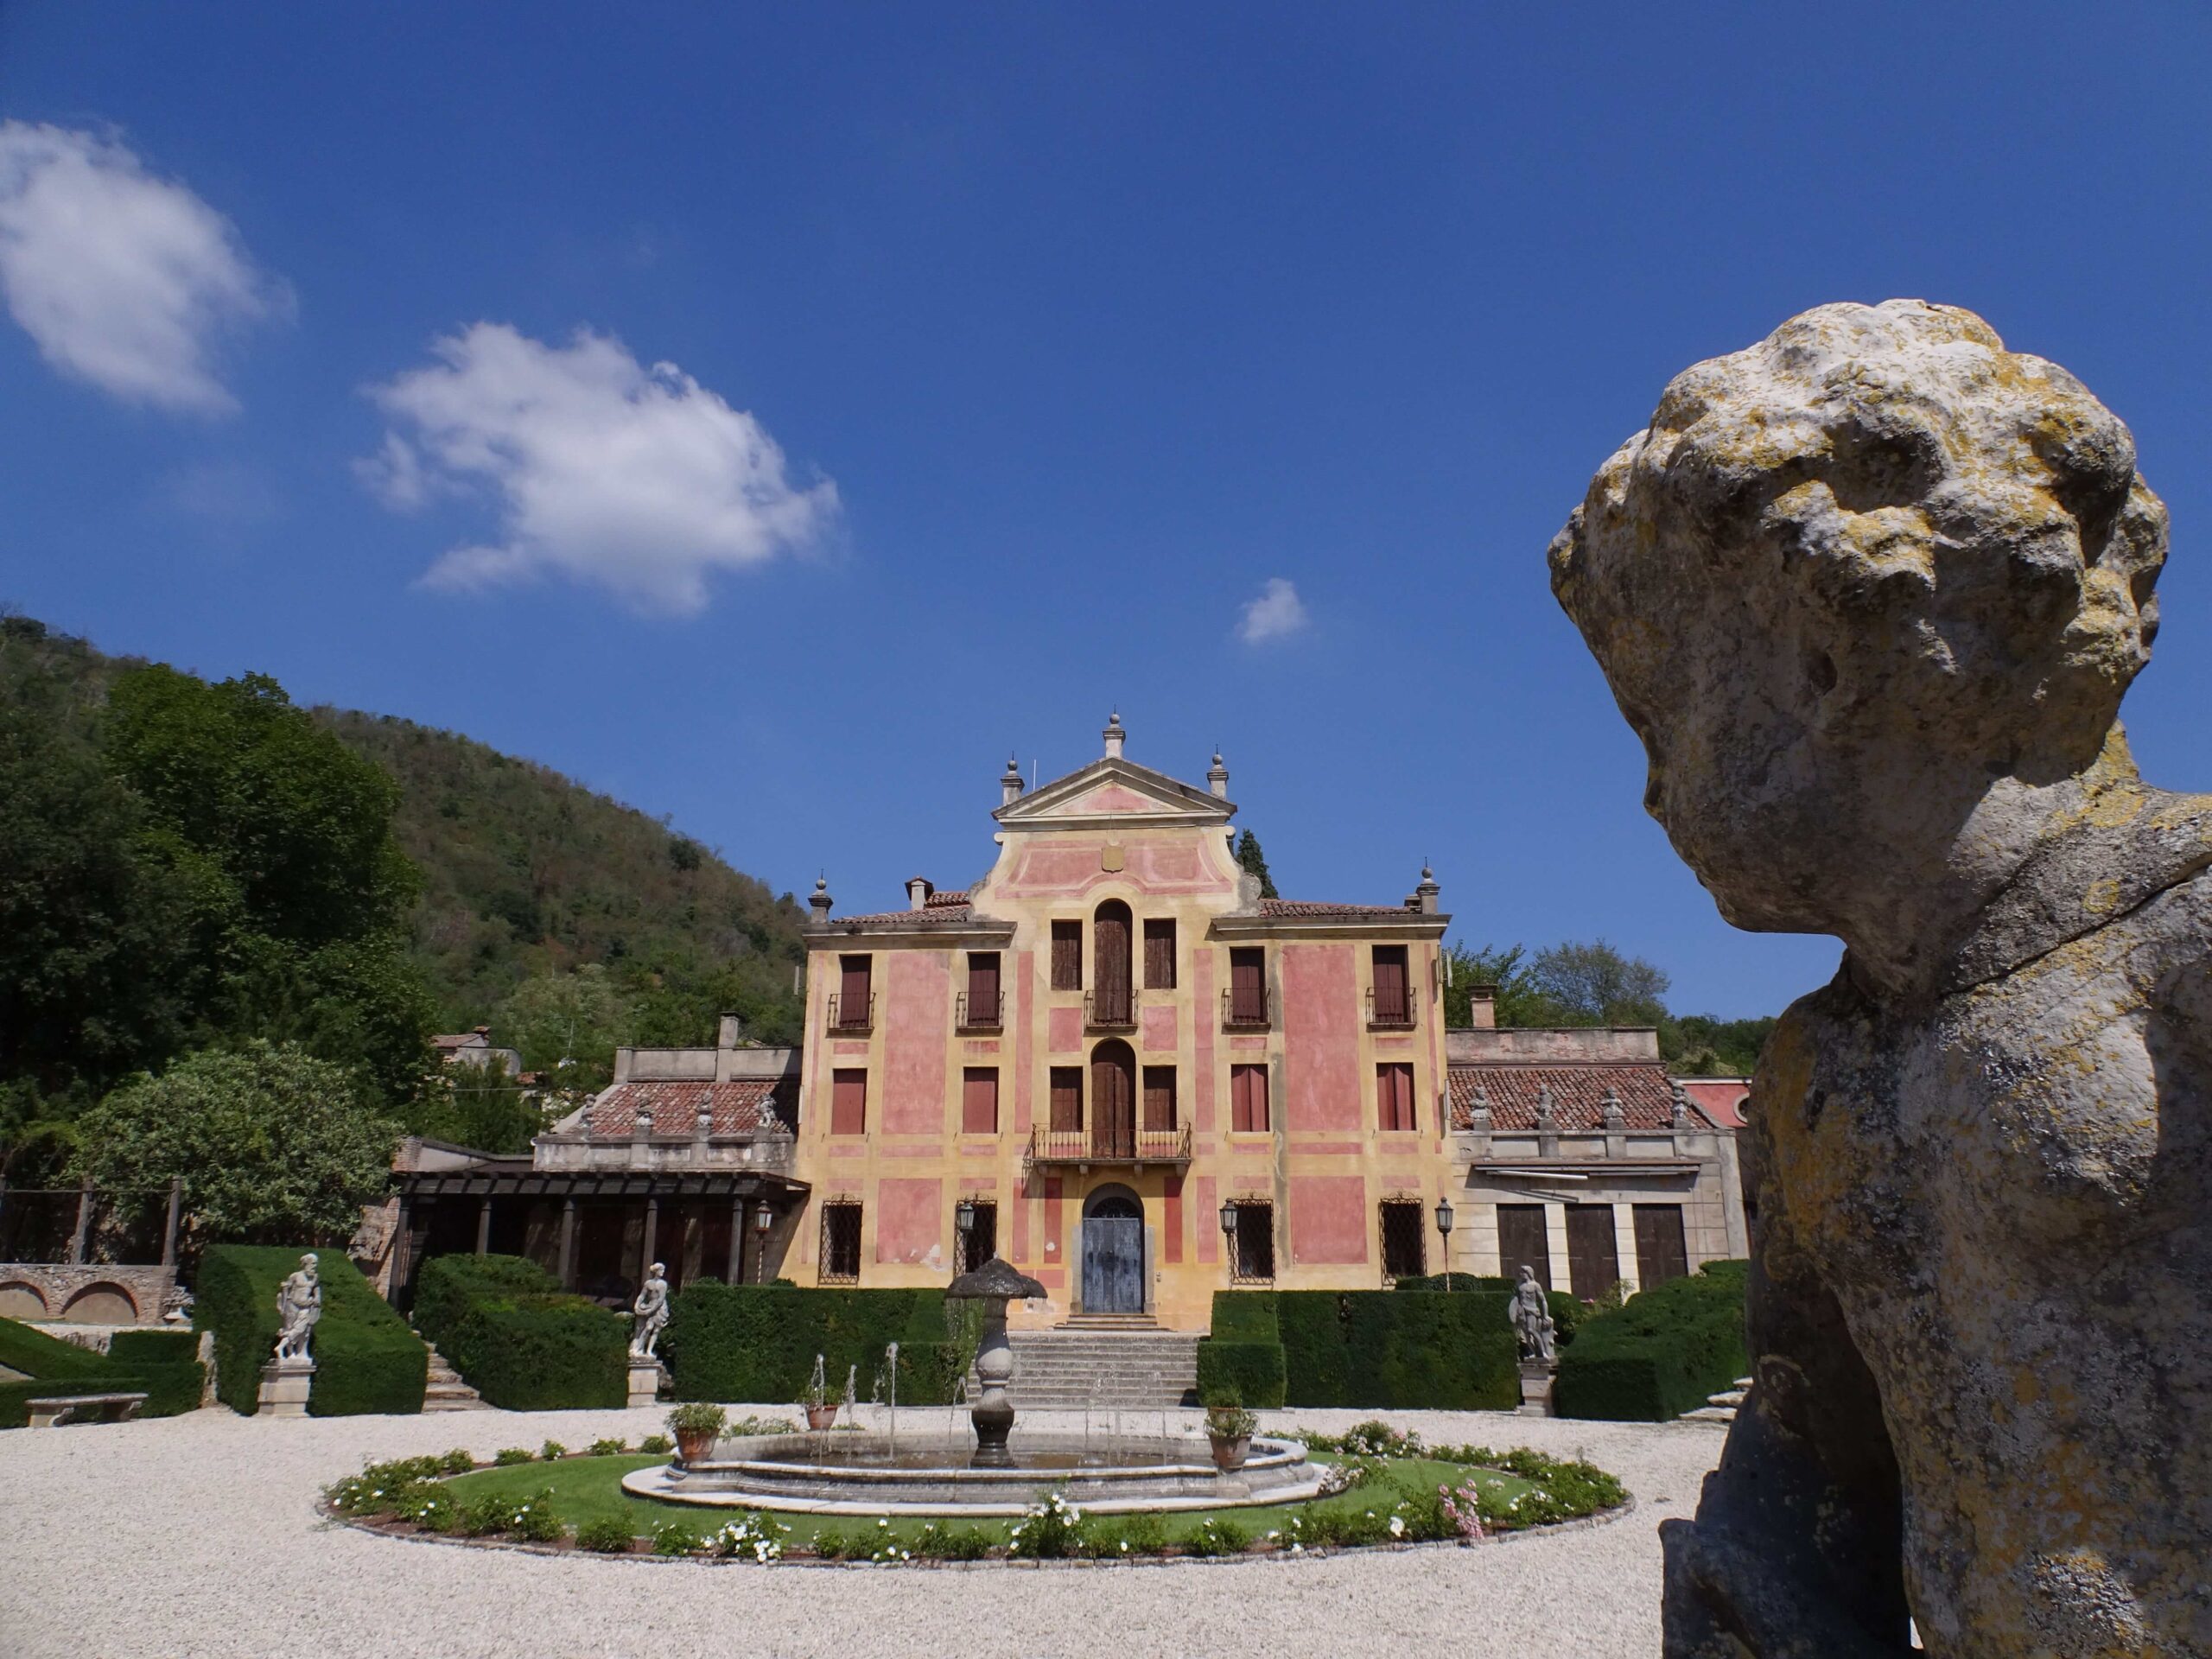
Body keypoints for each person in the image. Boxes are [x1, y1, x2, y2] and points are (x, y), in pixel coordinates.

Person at [273, 1253, 321, 1362]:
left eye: (316, 1264)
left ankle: (281, 1347)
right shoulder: (295, 1276)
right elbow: (286, 1288)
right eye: (313, 1263)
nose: (315, 1266)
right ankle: (290, 1353)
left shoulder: (315, 1278)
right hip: (292, 1306)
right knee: (289, 1328)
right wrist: (282, 1304)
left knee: (301, 1329)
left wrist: (317, 1296)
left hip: (305, 1307)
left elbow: (316, 1288)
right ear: (305, 1264)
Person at [1509, 1264, 1554, 1365]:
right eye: (1521, 1272)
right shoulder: (1520, 1286)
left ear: (1529, 1273)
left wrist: (1545, 1315)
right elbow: (1516, 1299)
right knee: (1526, 1334)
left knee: (1531, 1330)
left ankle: (1543, 1351)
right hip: (1522, 1311)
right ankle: (1533, 1352)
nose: (1522, 1274)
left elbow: (1543, 1300)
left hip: (1532, 1310)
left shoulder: (1535, 1285)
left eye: (1524, 1272)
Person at [629, 1262, 670, 1359]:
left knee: (656, 1331)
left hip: (660, 1309)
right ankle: (638, 1348)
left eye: (663, 1270)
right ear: (656, 1271)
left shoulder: (663, 1284)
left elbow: (660, 1300)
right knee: (648, 1328)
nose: (663, 1272)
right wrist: (636, 1305)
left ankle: (649, 1351)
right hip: (651, 1305)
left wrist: (651, 1310)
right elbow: (642, 1295)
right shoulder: (648, 1283)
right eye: (661, 1270)